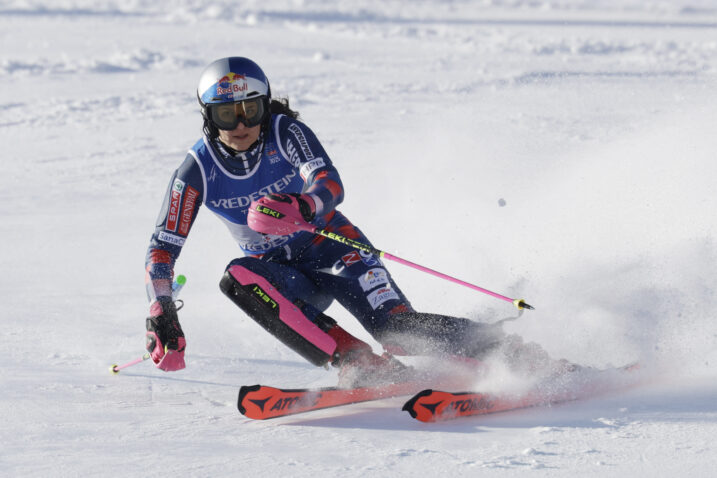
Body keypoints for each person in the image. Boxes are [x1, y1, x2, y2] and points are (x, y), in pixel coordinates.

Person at [143, 57, 540, 387]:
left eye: (252, 110)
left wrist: (305, 205)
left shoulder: (285, 132)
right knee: (237, 278)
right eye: (227, 114)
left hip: (335, 249)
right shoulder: (197, 170)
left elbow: (329, 182)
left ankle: (507, 350)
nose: (242, 124)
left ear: (266, 106)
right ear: (209, 117)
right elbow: (162, 248)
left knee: (397, 332)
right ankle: (357, 360)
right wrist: (161, 308)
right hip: (285, 277)